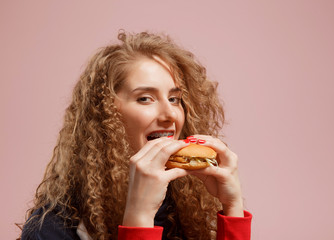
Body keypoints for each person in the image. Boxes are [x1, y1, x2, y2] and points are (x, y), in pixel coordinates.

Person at [20, 30, 252, 240]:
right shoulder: (51, 229)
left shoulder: (183, 210)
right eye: (145, 98)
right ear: (105, 113)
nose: (170, 114)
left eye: (174, 99)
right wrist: (139, 217)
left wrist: (233, 209)